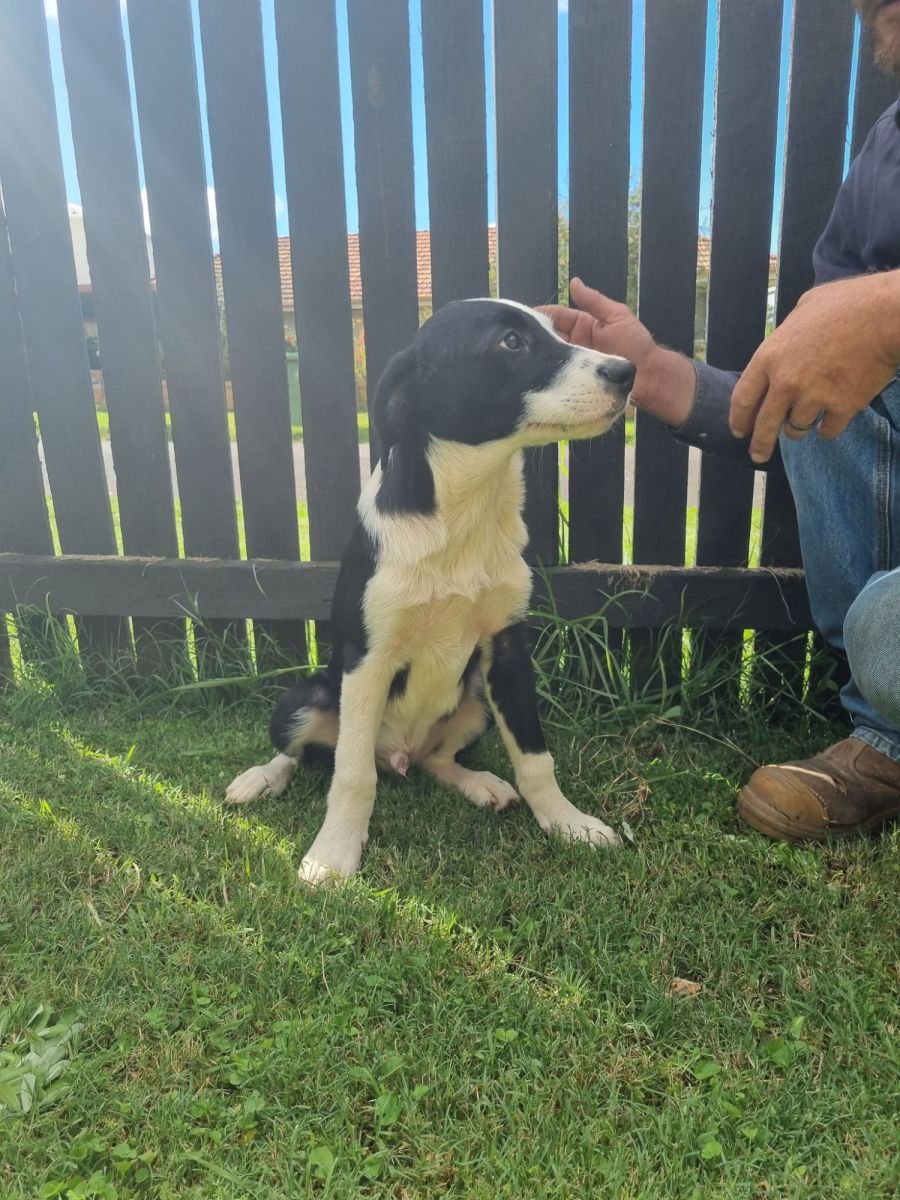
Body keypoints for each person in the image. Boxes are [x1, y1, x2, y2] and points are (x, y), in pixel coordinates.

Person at [542, 0, 900, 842]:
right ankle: (886, 739)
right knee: (882, 628)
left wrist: (887, 317)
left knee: (885, 630)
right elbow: (820, 396)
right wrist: (656, 374)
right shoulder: (887, 151)